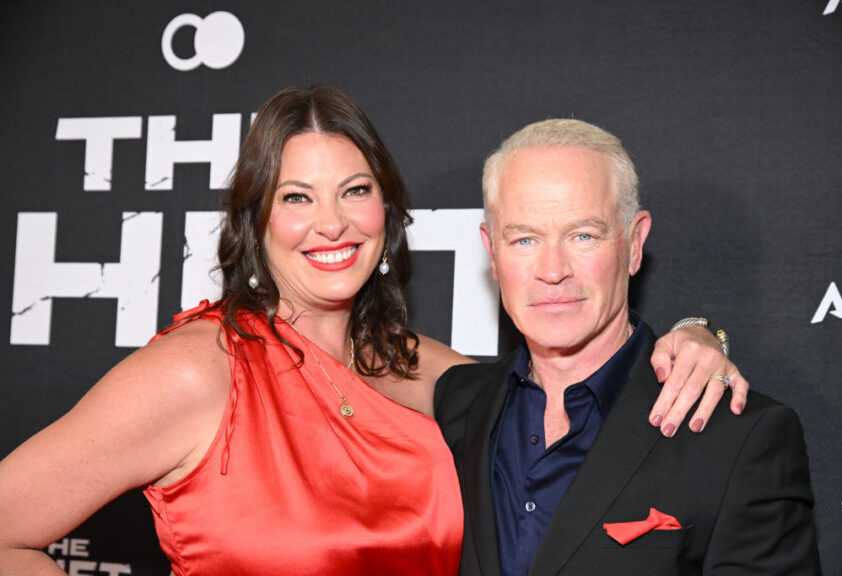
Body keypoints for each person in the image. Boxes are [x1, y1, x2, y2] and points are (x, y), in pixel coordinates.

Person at [0, 87, 746, 575]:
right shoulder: (201, 371)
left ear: (385, 214)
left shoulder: (414, 367)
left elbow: (579, 385)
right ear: (257, 223)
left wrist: (696, 335)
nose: (331, 223)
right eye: (297, 196)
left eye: (355, 191)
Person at [434, 118, 821, 575]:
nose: (553, 269)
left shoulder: (740, 439)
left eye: (583, 235)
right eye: (524, 239)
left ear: (634, 243)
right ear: (491, 252)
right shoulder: (456, 404)